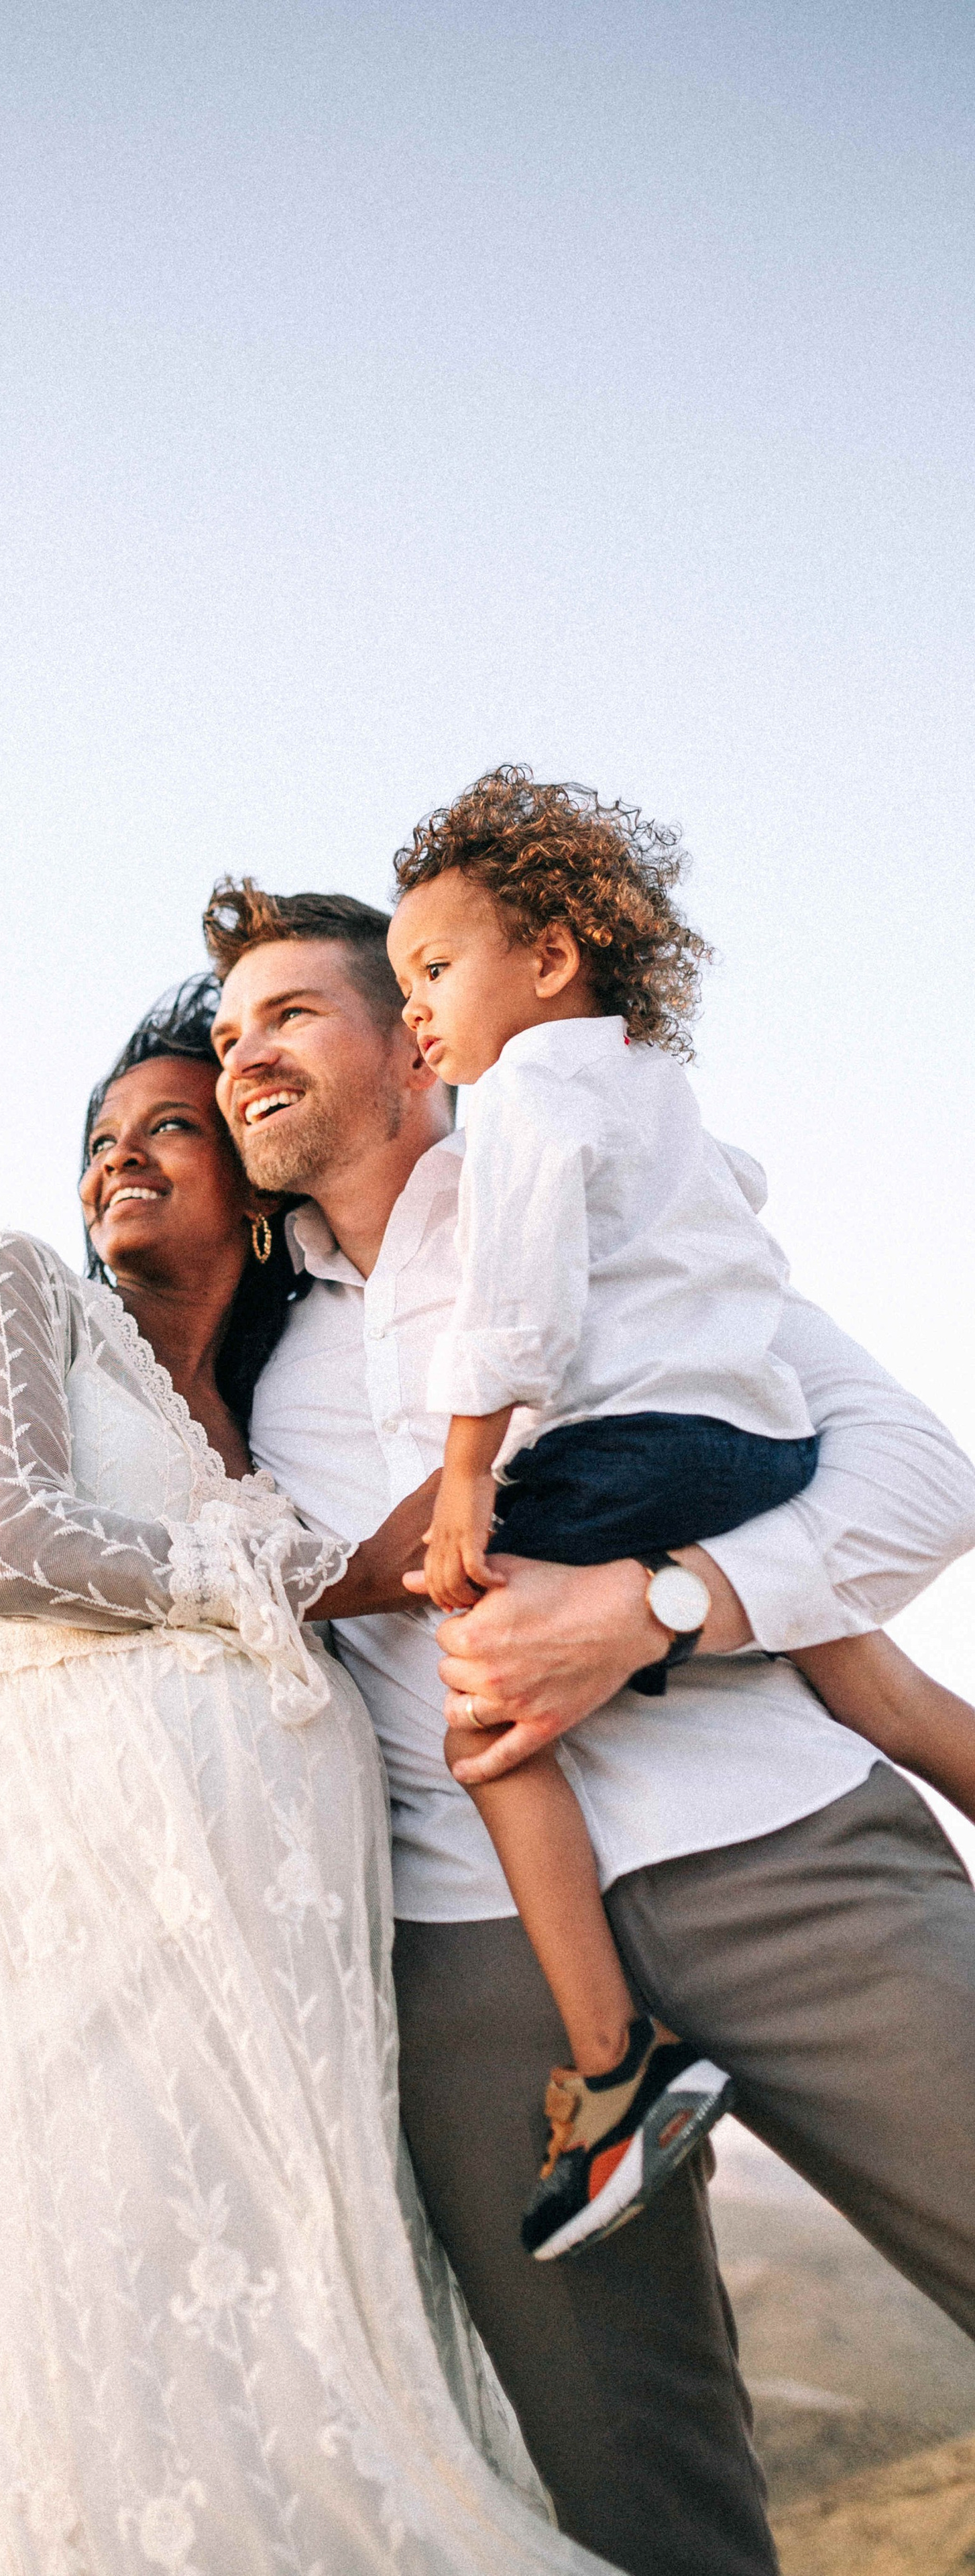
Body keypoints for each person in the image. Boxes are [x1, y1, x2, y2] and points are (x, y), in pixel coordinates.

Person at [204, 814, 975, 2576]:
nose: (245, 1054)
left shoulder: (613, 1212)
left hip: (780, 1847)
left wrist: (657, 1609)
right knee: (645, 2518)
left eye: (288, 1016)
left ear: (418, 1041)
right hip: (486, 1979)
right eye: (225, 1035)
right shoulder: (243, 1367)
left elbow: (926, 1478)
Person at [0, 980, 616, 2576]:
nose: (120, 1161)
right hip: (70, 1995)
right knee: (154, 2423)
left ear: (246, 1165)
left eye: (170, 1126)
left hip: (292, 2011)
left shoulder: (290, 1417)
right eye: (101, 1138)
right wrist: (297, 1586)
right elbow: (9, 1545)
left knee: (336, 2388)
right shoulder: (24, 1291)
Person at [385, 780, 975, 2265]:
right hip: (746, 1441)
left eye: (432, 975)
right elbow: (731, 1220)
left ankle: (610, 2066)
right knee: (871, 1682)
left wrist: (464, 1484)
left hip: (640, 1454)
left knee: (481, 1705)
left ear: (553, 953)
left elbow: (512, 1318)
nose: (418, 1018)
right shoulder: (650, 1084)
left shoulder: (524, 1097)